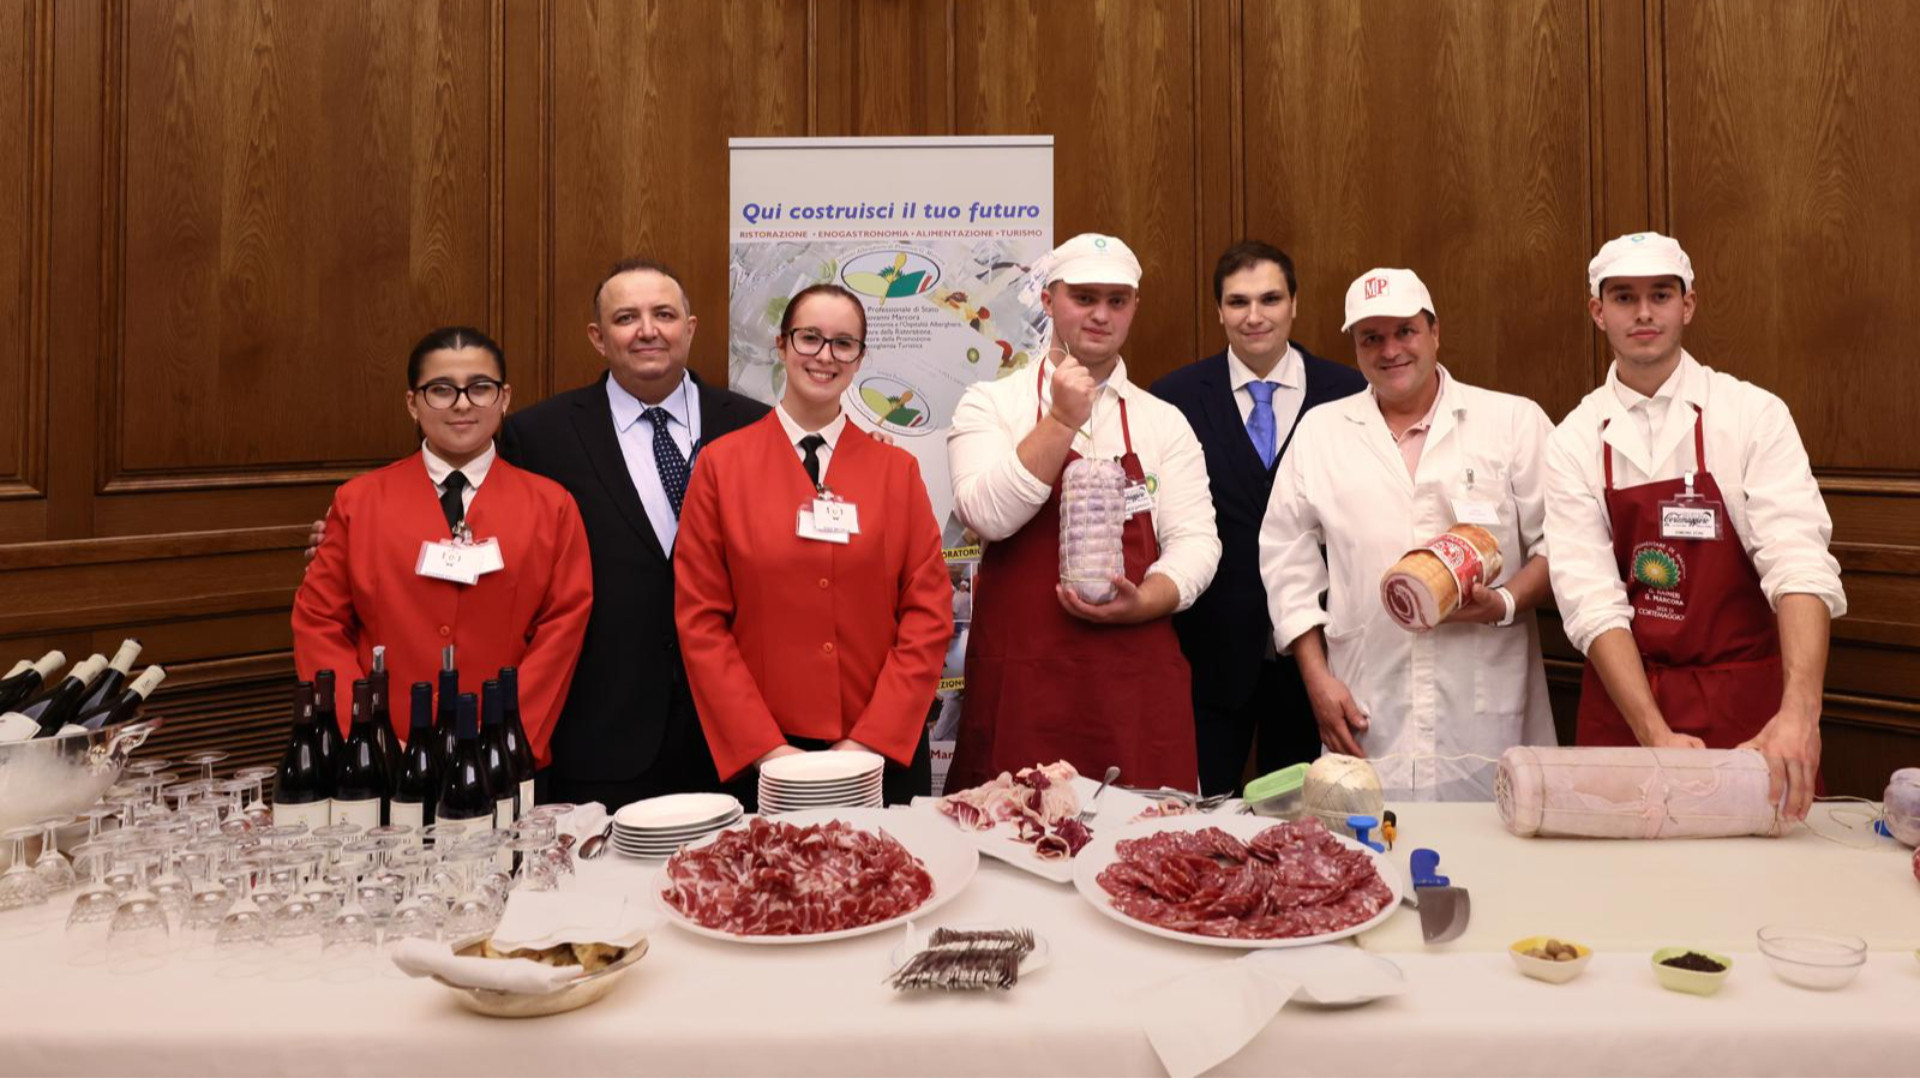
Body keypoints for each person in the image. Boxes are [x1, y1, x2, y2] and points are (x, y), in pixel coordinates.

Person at [308, 259, 770, 808]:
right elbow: (464, 508)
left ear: (690, 327)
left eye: (663, 314)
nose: (647, 329)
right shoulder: (538, 434)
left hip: (737, 725)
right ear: (598, 337)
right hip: (601, 732)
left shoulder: (755, 426)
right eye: (626, 317)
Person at [1543, 232, 1845, 820]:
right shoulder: (1574, 439)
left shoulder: (1752, 414)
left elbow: (1798, 560)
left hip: (1750, 707)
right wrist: (1653, 734)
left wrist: (1799, 716)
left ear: (1689, 304)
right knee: (1625, 902)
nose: (1645, 313)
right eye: (1625, 297)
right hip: (1629, 704)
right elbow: (1590, 601)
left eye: (1661, 294)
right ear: (1598, 311)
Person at [1258, 268, 1556, 800]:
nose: (1390, 349)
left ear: (1435, 332)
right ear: (1354, 346)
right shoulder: (1321, 432)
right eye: (1371, 337)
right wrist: (1316, 680)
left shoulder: (1512, 423)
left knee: (1501, 862)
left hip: (1485, 707)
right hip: (1369, 704)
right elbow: (1285, 561)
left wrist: (1506, 602)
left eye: (1405, 331)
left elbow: (1560, 546)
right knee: (1372, 859)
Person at [946, 233, 1220, 792]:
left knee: (1143, 855)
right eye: (1084, 297)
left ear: (1134, 308)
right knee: (1010, 844)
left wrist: (1148, 599)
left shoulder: (1164, 421)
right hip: (1024, 682)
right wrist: (1061, 420)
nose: (1101, 314)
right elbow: (987, 515)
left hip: (1134, 682)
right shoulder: (990, 404)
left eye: (1117, 300)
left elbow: (1197, 542)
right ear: (1048, 301)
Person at [673, 284, 951, 805]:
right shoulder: (720, 466)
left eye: (843, 343)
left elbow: (928, 614)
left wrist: (868, 740)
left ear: (859, 358)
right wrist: (766, 750)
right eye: (809, 338)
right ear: (781, 346)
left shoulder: (897, 471)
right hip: (768, 759)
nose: (825, 356)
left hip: (880, 754)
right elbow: (701, 621)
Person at [293, 327, 593, 762]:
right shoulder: (359, 502)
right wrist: (365, 736)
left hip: (502, 757)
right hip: (382, 757)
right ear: (412, 403)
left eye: (480, 388)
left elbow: (561, 631)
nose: (462, 404)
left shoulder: (551, 506)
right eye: (441, 390)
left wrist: (505, 741)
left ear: (504, 398)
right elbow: (318, 622)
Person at [1150, 241, 1368, 795]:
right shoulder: (1173, 400)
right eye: (1238, 301)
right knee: (1201, 815)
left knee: (1305, 824)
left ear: (1294, 303)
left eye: (1270, 298)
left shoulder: (1350, 393)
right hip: (1211, 655)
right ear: (1218, 311)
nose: (1254, 316)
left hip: (1325, 657)